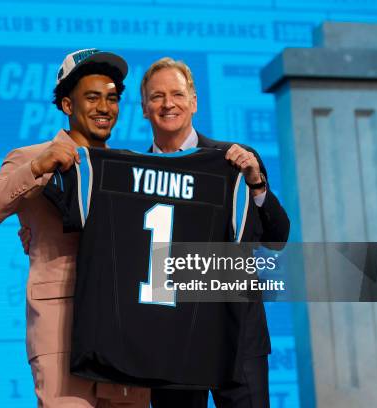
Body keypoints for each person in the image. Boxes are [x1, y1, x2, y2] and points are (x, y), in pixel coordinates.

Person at [0, 49, 150, 407]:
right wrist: (37, 170)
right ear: (66, 104)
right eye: (91, 97)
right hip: (61, 332)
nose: (103, 108)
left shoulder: (131, 169)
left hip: (124, 333)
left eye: (111, 98)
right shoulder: (31, 157)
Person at [142, 57, 290, 407]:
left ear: (194, 101)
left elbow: (278, 237)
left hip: (239, 337)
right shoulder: (136, 174)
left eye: (177, 94)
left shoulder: (235, 160)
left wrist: (257, 185)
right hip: (170, 340)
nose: (168, 104)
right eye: (156, 96)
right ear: (144, 108)